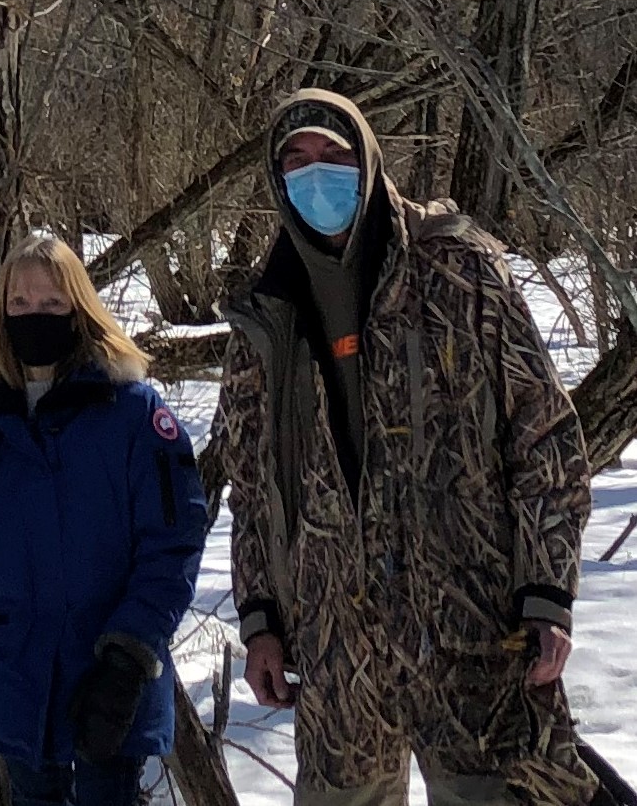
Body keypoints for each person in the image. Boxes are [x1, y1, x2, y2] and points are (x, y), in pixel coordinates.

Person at [219, 88, 598, 806]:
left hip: (471, 627)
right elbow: (252, 486)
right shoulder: (265, 316)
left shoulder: (457, 267)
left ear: (366, 159)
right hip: (337, 652)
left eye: (332, 154)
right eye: (295, 159)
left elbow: (544, 431)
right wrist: (261, 619)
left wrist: (547, 592)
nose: (315, 173)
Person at [0, 234, 207, 806]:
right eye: (21, 303)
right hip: (14, 670)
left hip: (108, 671)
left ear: (80, 307)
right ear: (1, 309)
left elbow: (173, 542)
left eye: (53, 304)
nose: (36, 315)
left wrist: (129, 656)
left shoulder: (131, 409)